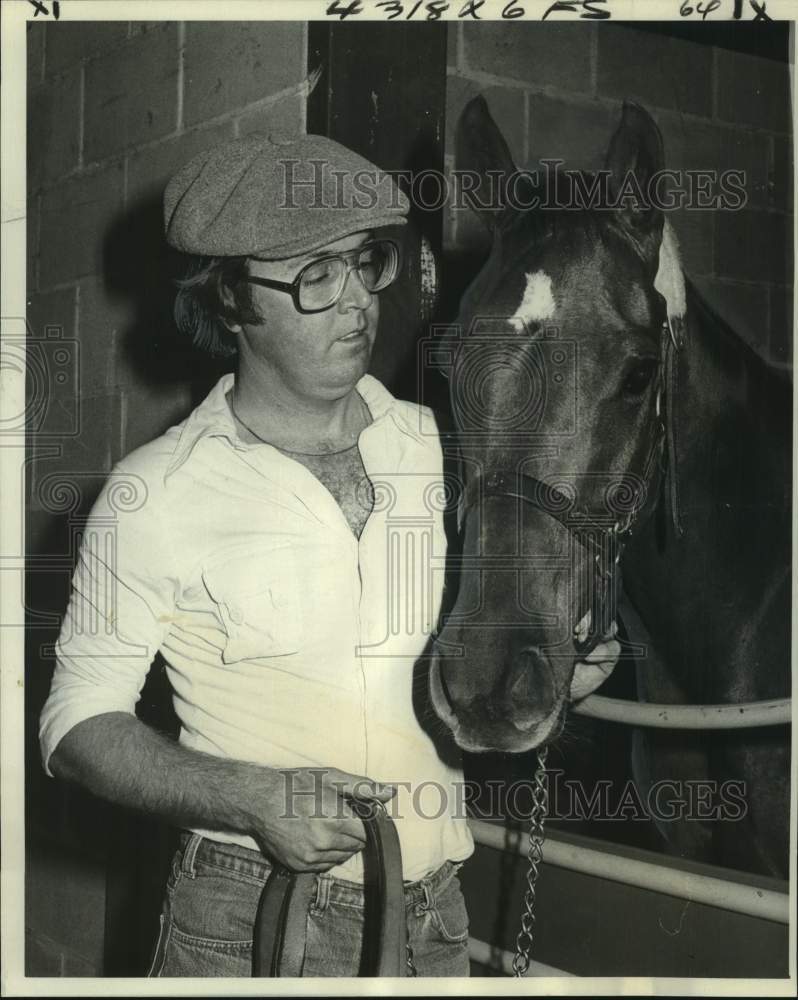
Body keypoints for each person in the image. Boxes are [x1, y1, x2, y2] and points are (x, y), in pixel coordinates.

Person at [39, 132, 620, 978]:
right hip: (245, 919)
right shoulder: (154, 493)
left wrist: (560, 668)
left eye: (365, 262)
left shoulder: (448, 452)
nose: (357, 301)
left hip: (434, 920)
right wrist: (251, 797)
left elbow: (473, 666)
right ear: (233, 299)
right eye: (318, 275)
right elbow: (75, 725)